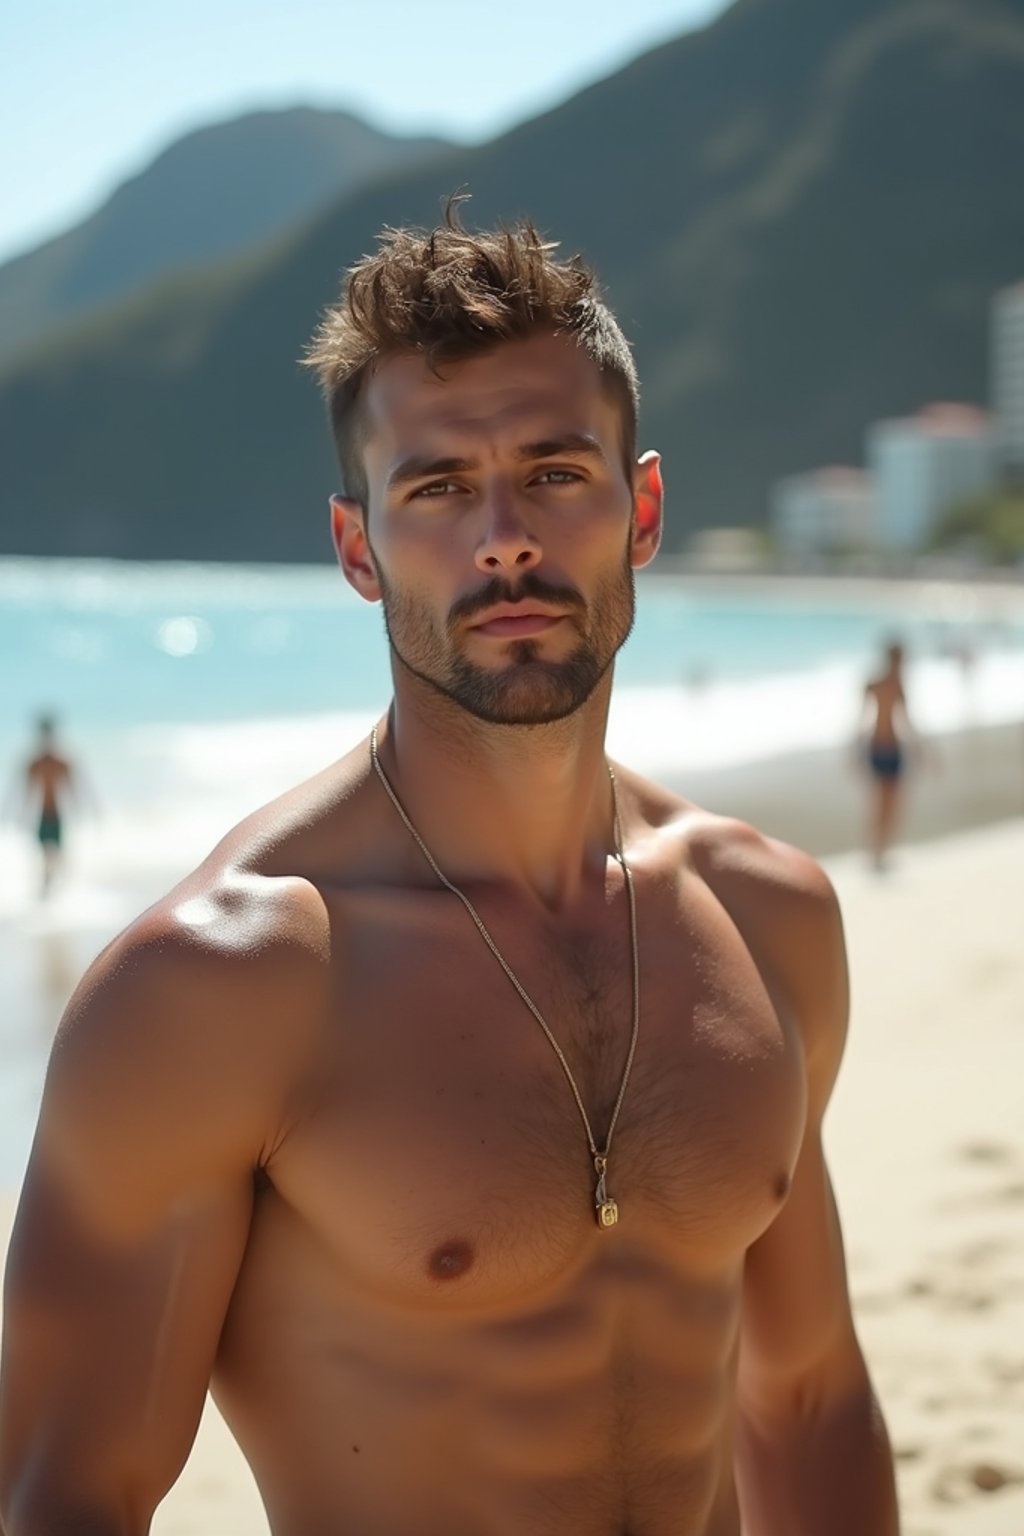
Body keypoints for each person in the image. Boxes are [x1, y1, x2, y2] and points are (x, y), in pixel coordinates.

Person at [0, 203, 899, 1536]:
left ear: (640, 508)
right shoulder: (221, 989)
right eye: (435, 488)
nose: (506, 538)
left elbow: (808, 1401)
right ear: (358, 548)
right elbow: (66, 1493)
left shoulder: (765, 917)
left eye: (554, 471)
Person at [859, 640, 914, 870]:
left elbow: (908, 721)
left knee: (892, 802)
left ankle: (883, 850)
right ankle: (876, 850)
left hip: (891, 747)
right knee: (881, 801)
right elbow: (861, 718)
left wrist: (923, 750)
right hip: (881, 747)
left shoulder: (895, 685)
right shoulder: (876, 684)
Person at [16, 714, 78, 897]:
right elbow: (25, 792)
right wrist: (18, 814)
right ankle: (46, 892)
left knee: (56, 857)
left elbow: (74, 789)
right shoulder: (34, 763)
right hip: (42, 815)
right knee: (45, 856)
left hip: (56, 815)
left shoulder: (61, 762)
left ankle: (53, 892)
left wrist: (83, 809)